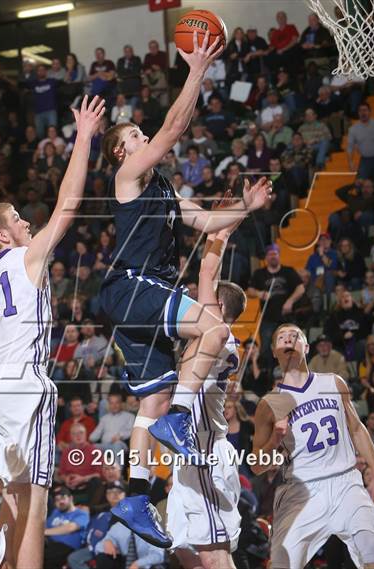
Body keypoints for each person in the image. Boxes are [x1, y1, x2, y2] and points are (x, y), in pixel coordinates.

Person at [100, 32, 272, 548]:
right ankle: (181, 417)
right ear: (120, 151)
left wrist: (249, 208)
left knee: (149, 400)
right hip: (134, 285)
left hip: (126, 298)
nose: (141, 140)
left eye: (139, 136)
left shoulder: (165, 191)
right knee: (215, 328)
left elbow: (207, 221)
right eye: (133, 136)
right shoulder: (128, 175)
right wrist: (196, 69)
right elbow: (174, 128)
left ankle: (134, 494)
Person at [0, 95, 105, 569]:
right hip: (25, 384)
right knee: (39, 497)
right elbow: (69, 204)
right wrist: (84, 136)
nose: (27, 222)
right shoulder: (28, 258)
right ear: (3, 236)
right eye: (17, 220)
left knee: (12, 493)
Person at [252, 323, 374, 569]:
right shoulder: (269, 404)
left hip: (347, 483)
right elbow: (257, 466)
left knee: (370, 547)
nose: (289, 339)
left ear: (306, 346)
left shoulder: (334, 383)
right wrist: (274, 441)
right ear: (273, 351)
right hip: (304, 491)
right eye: (282, 337)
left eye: (295, 335)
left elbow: (356, 428)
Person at [167, 195, 244, 569]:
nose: (193, 302)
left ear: (220, 308)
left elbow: (205, 273)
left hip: (205, 452)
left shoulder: (219, 330)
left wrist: (222, 227)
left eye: (202, 300)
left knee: (214, 553)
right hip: (188, 456)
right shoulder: (211, 336)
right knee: (180, 545)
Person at [44, 487, 89, 569]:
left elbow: (70, 527)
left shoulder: (82, 514)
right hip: (50, 543)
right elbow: (45, 526)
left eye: (63, 497)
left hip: (68, 547)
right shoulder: (56, 512)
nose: (60, 501)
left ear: (71, 498)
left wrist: (44, 532)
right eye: (57, 500)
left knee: (44, 556)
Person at [347, 102, 374, 186]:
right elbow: (350, 147)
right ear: (358, 113)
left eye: (365, 110)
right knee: (359, 183)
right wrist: (350, 162)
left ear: (370, 112)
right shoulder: (353, 129)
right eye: (360, 111)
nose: (363, 113)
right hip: (365, 159)